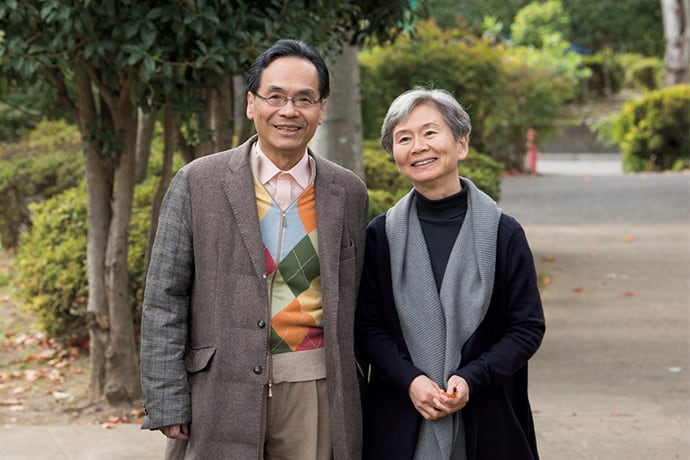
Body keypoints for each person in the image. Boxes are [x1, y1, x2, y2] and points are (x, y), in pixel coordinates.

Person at [140, 39, 368, 460]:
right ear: (251, 104)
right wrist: (167, 398)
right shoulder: (198, 182)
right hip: (218, 388)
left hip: (313, 386)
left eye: (304, 99)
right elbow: (163, 300)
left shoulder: (348, 192)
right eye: (275, 96)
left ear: (321, 110)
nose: (288, 111)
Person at [355, 87, 545, 460]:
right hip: (399, 419)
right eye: (404, 138)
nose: (418, 146)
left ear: (461, 143)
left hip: (489, 417)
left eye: (430, 132)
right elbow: (367, 327)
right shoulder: (379, 237)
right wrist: (410, 380)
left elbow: (526, 328)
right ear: (395, 155)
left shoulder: (503, 233)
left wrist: (472, 378)